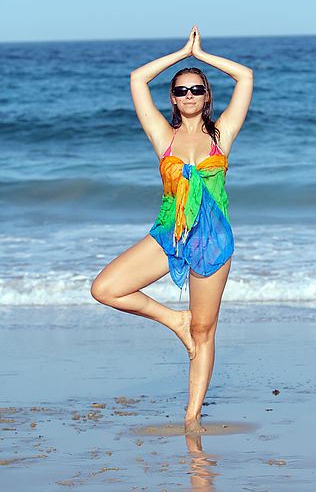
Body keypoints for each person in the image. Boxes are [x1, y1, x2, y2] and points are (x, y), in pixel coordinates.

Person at [90, 25, 253, 434]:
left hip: (213, 241)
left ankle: (192, 417)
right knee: (105, 288)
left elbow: (246, 77)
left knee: (204, 329)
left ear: (207, 96)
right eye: (181, 90)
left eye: (197, 89)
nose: (189, 96)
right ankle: (173, 321)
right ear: (173, 99)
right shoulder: (163, 135)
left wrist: (203, 57)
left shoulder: (223, 134)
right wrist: (182, 54)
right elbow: (137, 79)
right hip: (169, 233)